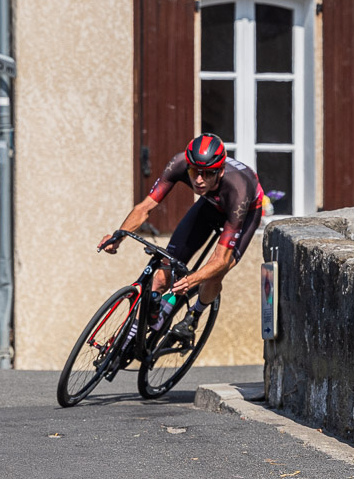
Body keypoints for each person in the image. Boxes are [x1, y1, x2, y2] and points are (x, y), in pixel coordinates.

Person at [101, 133, 263, 341]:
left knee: (215, 271)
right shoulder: (178, 163)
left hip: (245, 212)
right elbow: (145, 207)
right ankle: (132, 335)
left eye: (207, 173)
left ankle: (193, 316)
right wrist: (118, 237)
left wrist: (193, 279)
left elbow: (221, 260)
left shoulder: (238, 190)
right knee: (161, 275)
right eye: (194, 171)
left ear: (220, 171)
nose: (198, 180)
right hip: (210, 205)